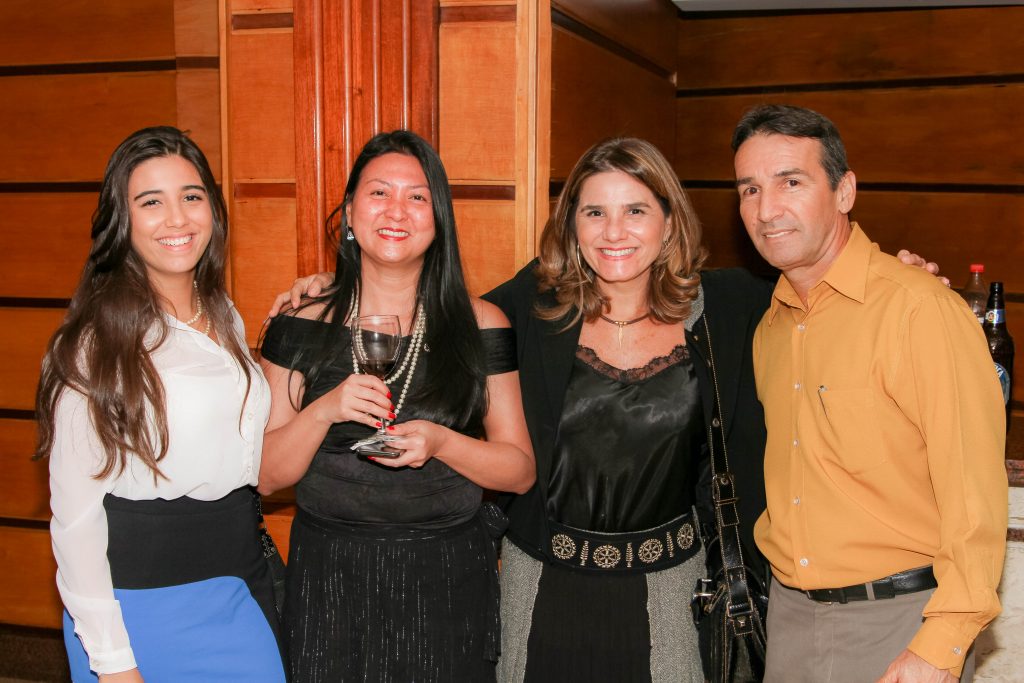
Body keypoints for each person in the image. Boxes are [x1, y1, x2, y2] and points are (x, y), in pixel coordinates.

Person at [273, 136, 946, 683]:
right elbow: (433, 309)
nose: (614, 231)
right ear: (571, 225)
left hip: (671, 593)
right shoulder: (530, 306)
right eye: (593, 212)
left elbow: (822, 285)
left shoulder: (729, 306)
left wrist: (899, 274)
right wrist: (336, 286)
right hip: (542, 586)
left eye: (635, 210)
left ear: (669, 221)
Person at [732, 104, 1008, 683]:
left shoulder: (919, 308)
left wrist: (942, 644)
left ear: (844, 191)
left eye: (790, 182)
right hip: (789, 619)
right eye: (749, 189)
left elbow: (975, 496)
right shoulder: (770, 328)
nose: (766, 209)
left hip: (899, 623)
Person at [257, 130, 535, 682]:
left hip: (447, 580)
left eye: (417, 196)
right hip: (330, 581)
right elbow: (264, 477)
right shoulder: (301, 323)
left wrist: (443, 442)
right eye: (379, 192)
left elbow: (520, 470)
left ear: (439, 219)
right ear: (349, 212)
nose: (396, 210)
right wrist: (324, 410)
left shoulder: (480, 325)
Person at [36, 127, 286, 682]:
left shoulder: (222, 313)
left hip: (239, 584)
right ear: (121, 222)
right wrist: (113, 663)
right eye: (151, 202)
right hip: (139, 606)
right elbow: (75, 519)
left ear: (212, 209)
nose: (177, 218)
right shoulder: (95, 344)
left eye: (191, 196)